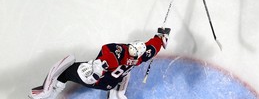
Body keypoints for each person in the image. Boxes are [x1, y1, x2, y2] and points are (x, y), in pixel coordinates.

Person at [28, 27, 171, 99]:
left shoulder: (119, 51)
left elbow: (106, 57)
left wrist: (98, 67)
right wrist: (161, 37)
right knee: (126, 74)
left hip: (95, 80)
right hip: (110, 84)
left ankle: (48, 92)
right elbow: (153, 47)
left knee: (68, 64)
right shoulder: (142, 56)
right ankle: (117, 95)